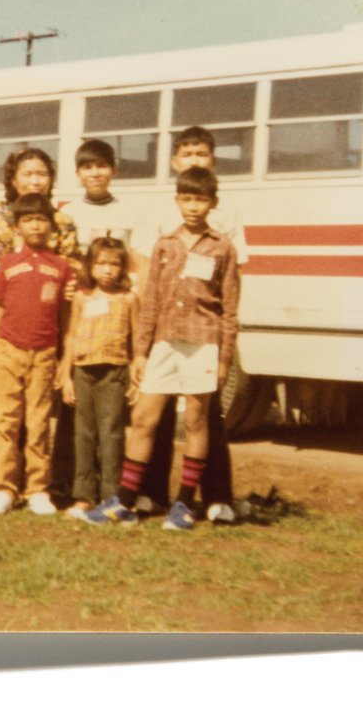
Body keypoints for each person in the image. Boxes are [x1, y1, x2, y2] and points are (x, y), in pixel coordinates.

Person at [88, 166, 239, 530]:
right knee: (144, 418)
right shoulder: (164, 245)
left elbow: (230, 310)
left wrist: (223, 360)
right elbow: (151, 300)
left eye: (200, 199)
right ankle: (124, 500)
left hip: (203, 343)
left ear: (212, 203)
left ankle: (184, 504)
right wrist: (141, 352)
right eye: (186, 198)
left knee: (195, 422)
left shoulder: (222, 248)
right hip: (164, 344)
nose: (193, 206)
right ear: (177, 201)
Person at [130, 126, 248, 523]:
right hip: (166, 328)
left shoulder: (226, 215)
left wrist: (225, 348)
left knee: (204, 417)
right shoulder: (159, 214)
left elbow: (231, 281)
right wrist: (143, 340)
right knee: (154, 414)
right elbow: (147, 271)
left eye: (202, 154)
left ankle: (214, 496)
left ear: (212, 161)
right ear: (174, 161)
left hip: (203, 332)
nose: (195, 161)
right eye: (188, 154)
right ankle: (150, 493)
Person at [0, 148, 79, 491]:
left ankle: (33, 477)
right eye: (27, 173)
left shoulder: (61, 221)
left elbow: (73, 265)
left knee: (38, 401)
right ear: (12, 179)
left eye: (41, 173)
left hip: (41, 320)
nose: (35, 180)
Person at [51, 138, 141, 502]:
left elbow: (134, 261)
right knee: (76, 419)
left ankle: (111, 492)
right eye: (88, 167)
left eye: (102, 166)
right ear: (77, 173)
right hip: (79, 312)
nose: (96, 173)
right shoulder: (67, 213)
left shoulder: (129, 212)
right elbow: (62, 261)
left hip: (115, 321)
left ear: (114, 170)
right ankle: (71, 485)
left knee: (110, 425)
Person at [0, 193, 72, 516]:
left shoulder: (61, 267)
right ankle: (4, 487)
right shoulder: (7, 264)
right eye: (28, 219)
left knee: (38, 422)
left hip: (44, 353)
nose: (35, 225)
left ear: (50, 224)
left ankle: (37, 489)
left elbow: (65, 318)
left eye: (41, 218)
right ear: (17, 226)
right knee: (6, 420)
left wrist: (64, 359)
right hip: (8, 349)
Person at [57, 236, 139, 521]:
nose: (107, 270)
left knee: (112, 433)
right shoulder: (82, 297)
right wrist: (66, 375)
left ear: (123, 268)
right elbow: (71, 335)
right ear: (90, 266)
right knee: (83, 434)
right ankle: (83, 495)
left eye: (114, 264)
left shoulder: (128, 299)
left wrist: (136, 375)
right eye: (101, 263)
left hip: (114, 371)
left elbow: (136, 341)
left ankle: (111, 495)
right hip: (83, 370)